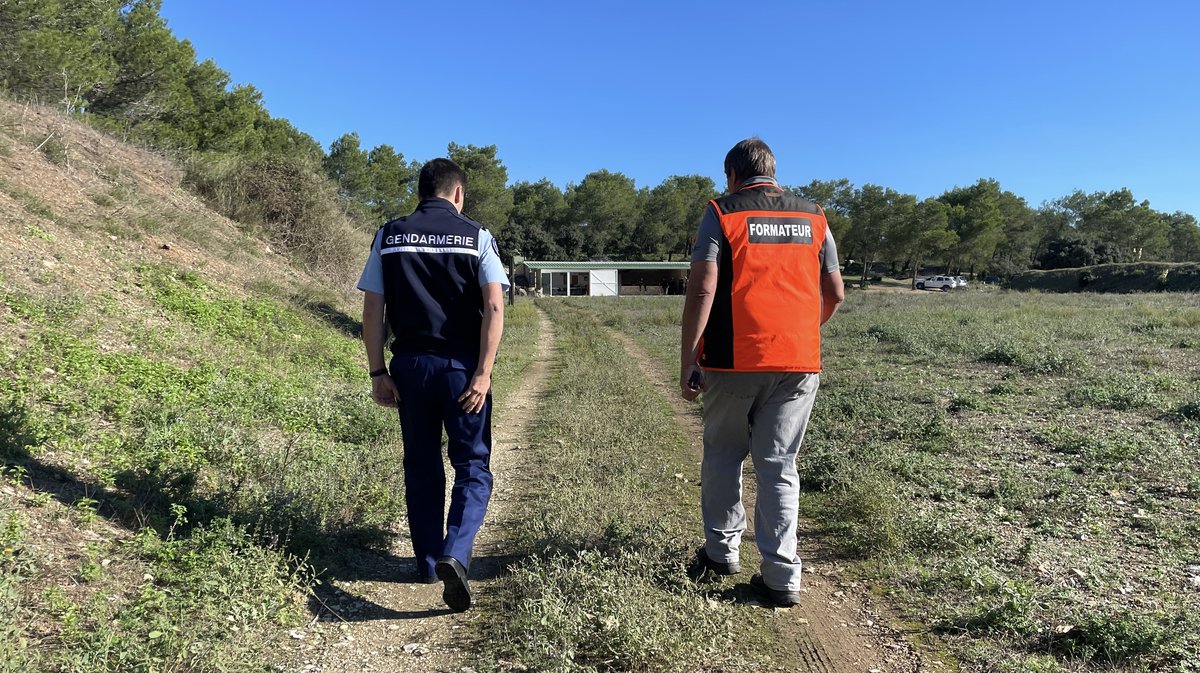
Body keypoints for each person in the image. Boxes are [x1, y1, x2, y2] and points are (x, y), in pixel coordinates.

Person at [679, 138, 844, 607]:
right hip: (798, 362)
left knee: (724, 454)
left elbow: (702, 288)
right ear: (773, 171)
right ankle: (781, 577)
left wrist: (690, 357)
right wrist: (799, 330)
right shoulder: (814, 215)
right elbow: (834, 292)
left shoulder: (722, 211)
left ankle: (720, 553)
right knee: (778, 466)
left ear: (732, 175)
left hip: (733, 360)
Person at [357, 158, 509, 612]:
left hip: (410, 367)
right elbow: (495, 308)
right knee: (472, 466)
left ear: (421, 192)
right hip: (462, 369)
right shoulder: (477, 237)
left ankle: (426, 561)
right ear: (458, 193)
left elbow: (372, 312)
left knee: (422, 466)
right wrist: (483, 372)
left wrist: (377, 372)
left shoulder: (389, 235)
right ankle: (455, 553)